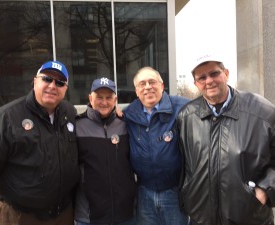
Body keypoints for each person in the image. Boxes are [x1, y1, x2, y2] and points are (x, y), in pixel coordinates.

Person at [0, 61, 80, 225]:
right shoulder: (7, 118)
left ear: (65, 89)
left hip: (63, 214)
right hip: (21, 216)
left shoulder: (69, 112)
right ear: (35, 81)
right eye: (47, 79)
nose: (53, 86)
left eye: (60, 83)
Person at [177, 53, 275, 225]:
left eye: (214, 73)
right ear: (196, 84)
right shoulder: (186, 117)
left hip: (250, 218)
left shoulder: (262, 112)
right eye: (202, 77)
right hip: (202, 218)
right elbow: (183, 165)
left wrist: (265, 189)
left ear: (226, 73)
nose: (209, 81)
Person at [122, 67, 190, 225]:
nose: (147, 87)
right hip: (144, 191)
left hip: (174, 192)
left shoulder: (183, 108)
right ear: (136, 91)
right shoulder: (128, 115)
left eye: (152, 82)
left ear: (162, 85)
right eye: (142, 84)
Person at [74, 77, 136, 225]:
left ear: (115, 99)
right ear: (90, 98)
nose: (104, 102)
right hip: (89, 217)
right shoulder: (77, 126)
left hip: (125, 215)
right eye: (99, 97)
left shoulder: (126, 124)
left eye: (109, 97)